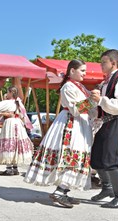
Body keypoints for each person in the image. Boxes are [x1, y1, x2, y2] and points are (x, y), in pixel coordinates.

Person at [24, 60, 93, 208]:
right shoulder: (68, 86)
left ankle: (65, 191)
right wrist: (91, 100)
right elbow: (75, 109)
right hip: (71, 123)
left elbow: (88, 107)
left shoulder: (79, 86)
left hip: (80, 123)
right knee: (69, 154)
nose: (85, 73)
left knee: (76, 154)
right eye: (82, 70)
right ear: (72, 71)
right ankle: (60, 191)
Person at [90, 49, 118, 209]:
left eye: (103, 62)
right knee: (97, 157)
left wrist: (101, 99)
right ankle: (107, 188)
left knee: (112, 159)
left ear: (113, 63)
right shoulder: (103, 83)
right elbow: (98, 107)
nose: (101, 65)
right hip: (105, 122)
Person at [0, 86, 34, 176]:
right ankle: (15, 168)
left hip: (10, 124)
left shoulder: (8, 103)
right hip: (18, 124)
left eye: (7, 92)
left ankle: (9, 169)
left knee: (9, 143)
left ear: (11, 93)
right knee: (15, 145)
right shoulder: (18, 103)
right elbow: (22, 115)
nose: (6, 94)